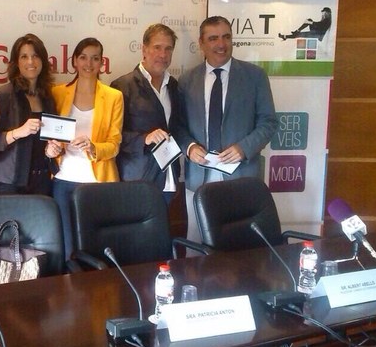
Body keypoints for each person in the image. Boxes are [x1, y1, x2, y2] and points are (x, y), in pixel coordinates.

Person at [175, 16, 277, 249]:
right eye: (213, 38)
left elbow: (269, 122)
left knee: (241, 246)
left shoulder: (255, 76)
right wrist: (189, 148)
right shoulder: (186, 80)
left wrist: (244, 148)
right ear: (201, 43)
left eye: (226, 37)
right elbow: (178, 126)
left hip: (241, 175)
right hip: (199, 177)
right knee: (197, 247)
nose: (221, 44)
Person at [46, 37, 123, 258]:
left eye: (95, 58)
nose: (88, 64)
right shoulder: (57, 93)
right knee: (68, 247)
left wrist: (93, 147)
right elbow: (50, 137)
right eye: (83, 57)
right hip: (63, 180)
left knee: (98, 246)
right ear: (74, 61)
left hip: (98, 182)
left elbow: (115, 144)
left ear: (102, 63)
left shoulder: (114, 97)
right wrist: (51, 149)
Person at [111, 24, 181, 204]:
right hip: (137, 179)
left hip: (169, 179)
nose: (163, 54)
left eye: (168, 49)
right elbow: (113, 136)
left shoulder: (174, 86)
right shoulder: (122, 86)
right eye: (157, 47)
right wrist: (145, 139)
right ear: (144, 49)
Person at [0, 34, 57, 195]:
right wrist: (19, 132)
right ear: (16, 62)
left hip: (42, 178)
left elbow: (52, 136)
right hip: (10, 180)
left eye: (35, 56)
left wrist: (52, 150)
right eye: (24, 56)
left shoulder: (48, 96)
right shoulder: (4, 94)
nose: (30, 62)